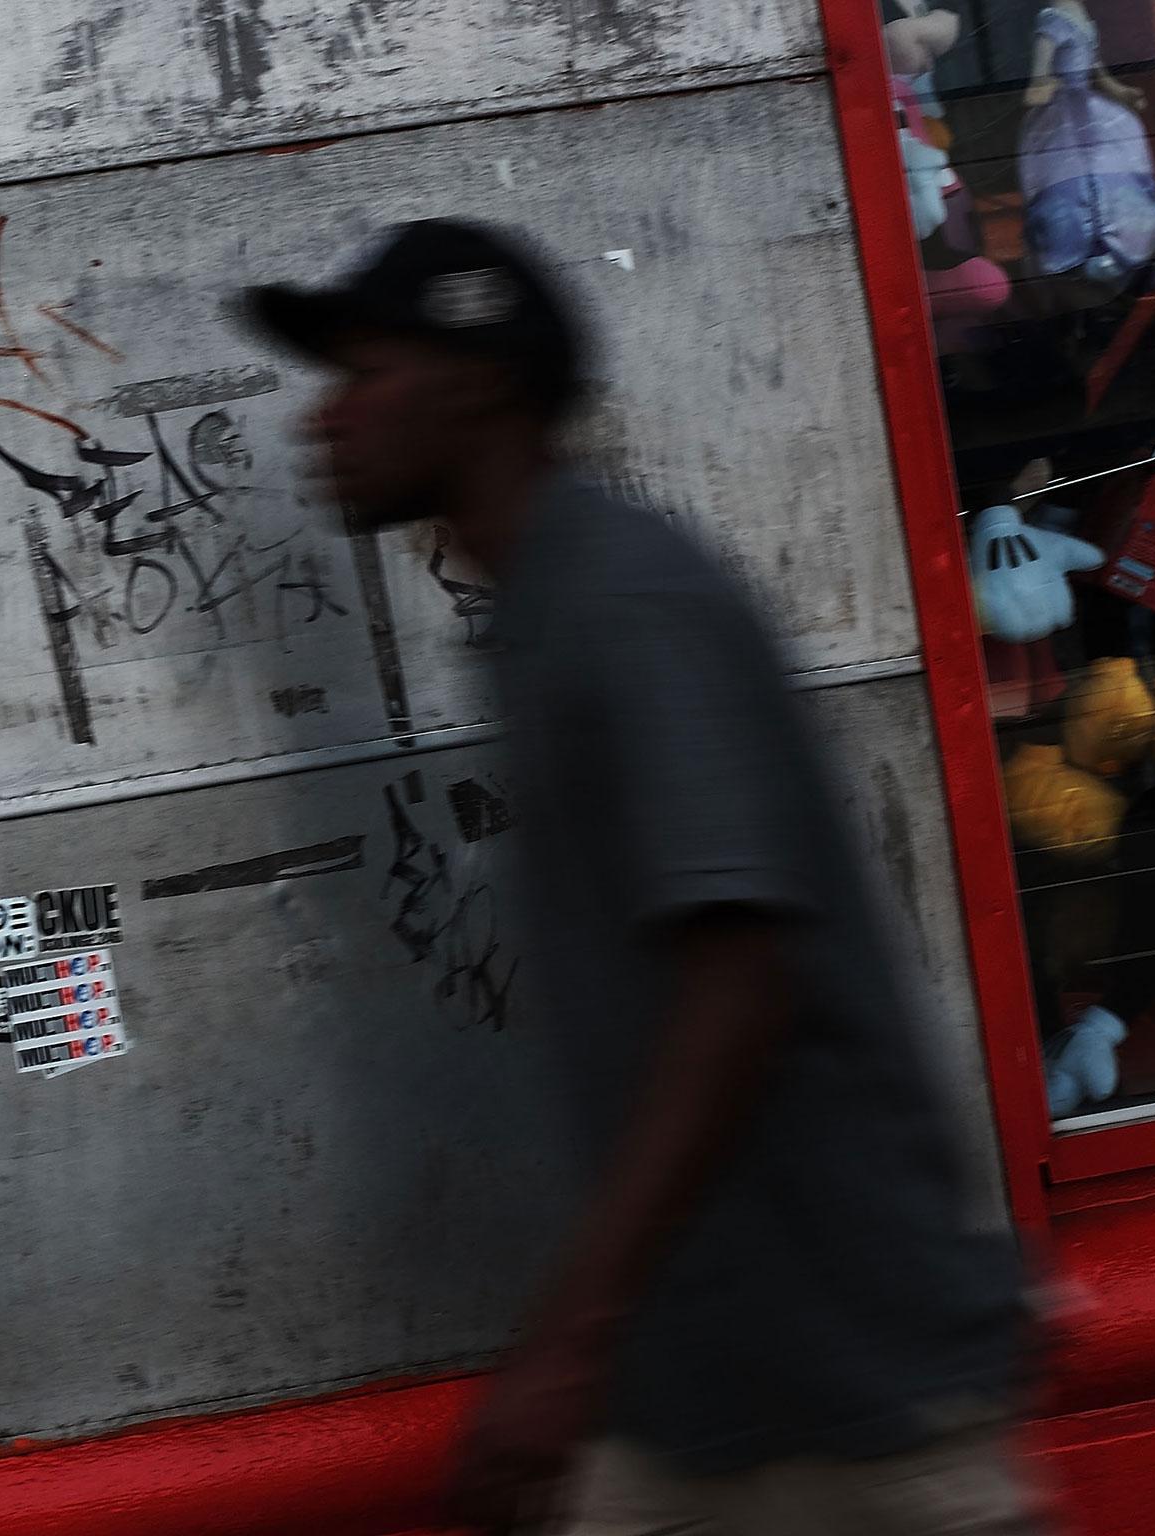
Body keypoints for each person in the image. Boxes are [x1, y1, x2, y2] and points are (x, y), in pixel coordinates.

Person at [242, 220, 1048, 1534]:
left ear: (479, 381)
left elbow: (739, 979)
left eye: (364, 373)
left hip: (853, 1401)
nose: (324, 422)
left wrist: (567, 1342)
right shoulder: (544, 608)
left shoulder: (622, 601)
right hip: (712, 1398)